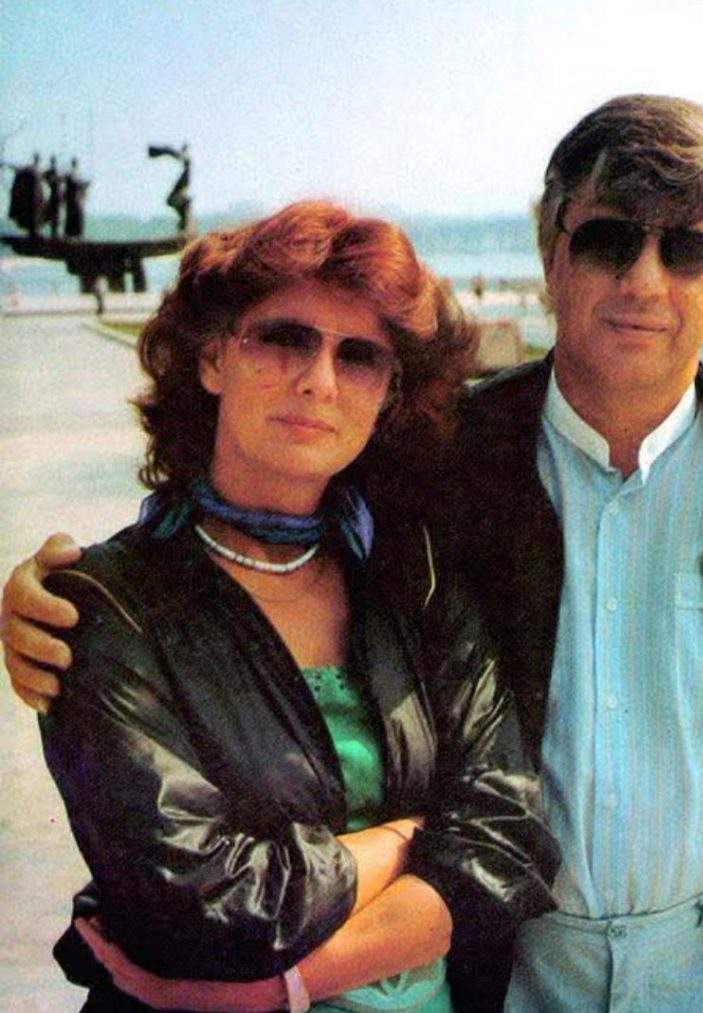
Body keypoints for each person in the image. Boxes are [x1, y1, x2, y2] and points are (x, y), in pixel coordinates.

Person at [4, 96, 703, 1012]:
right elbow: (256, 505)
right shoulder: (436, 461)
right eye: (608, 239)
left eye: (689, 248)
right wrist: (50, 595)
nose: (645, 280)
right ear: (550, 252)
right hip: (500, 964)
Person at [2, 200, 557, 1011]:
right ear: (212, 357)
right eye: (284, 337)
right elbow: (203, 907)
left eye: (359, 356)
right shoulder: (106, 606)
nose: (318, 380)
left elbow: (504, 840)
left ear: (387, 394)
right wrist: (409, 835)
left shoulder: (417, 577)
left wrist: (281, 986)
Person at [63, 158, 89, 239]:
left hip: (75, 198)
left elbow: (77, 183)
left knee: (76, 216)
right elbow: (74, 183)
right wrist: (84, 184)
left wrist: (84, 184)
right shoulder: (71, 173)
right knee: (74, 216)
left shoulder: (76, 173)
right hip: (73, 198)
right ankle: (71, 235)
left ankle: (75, 234)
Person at [43, 155, 63, 239]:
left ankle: (55, 234)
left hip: (56, 195)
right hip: (56, 195)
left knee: (55, 215)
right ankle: (54, 234)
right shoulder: (56, 172)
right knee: (54, 214)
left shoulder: (53, 172)